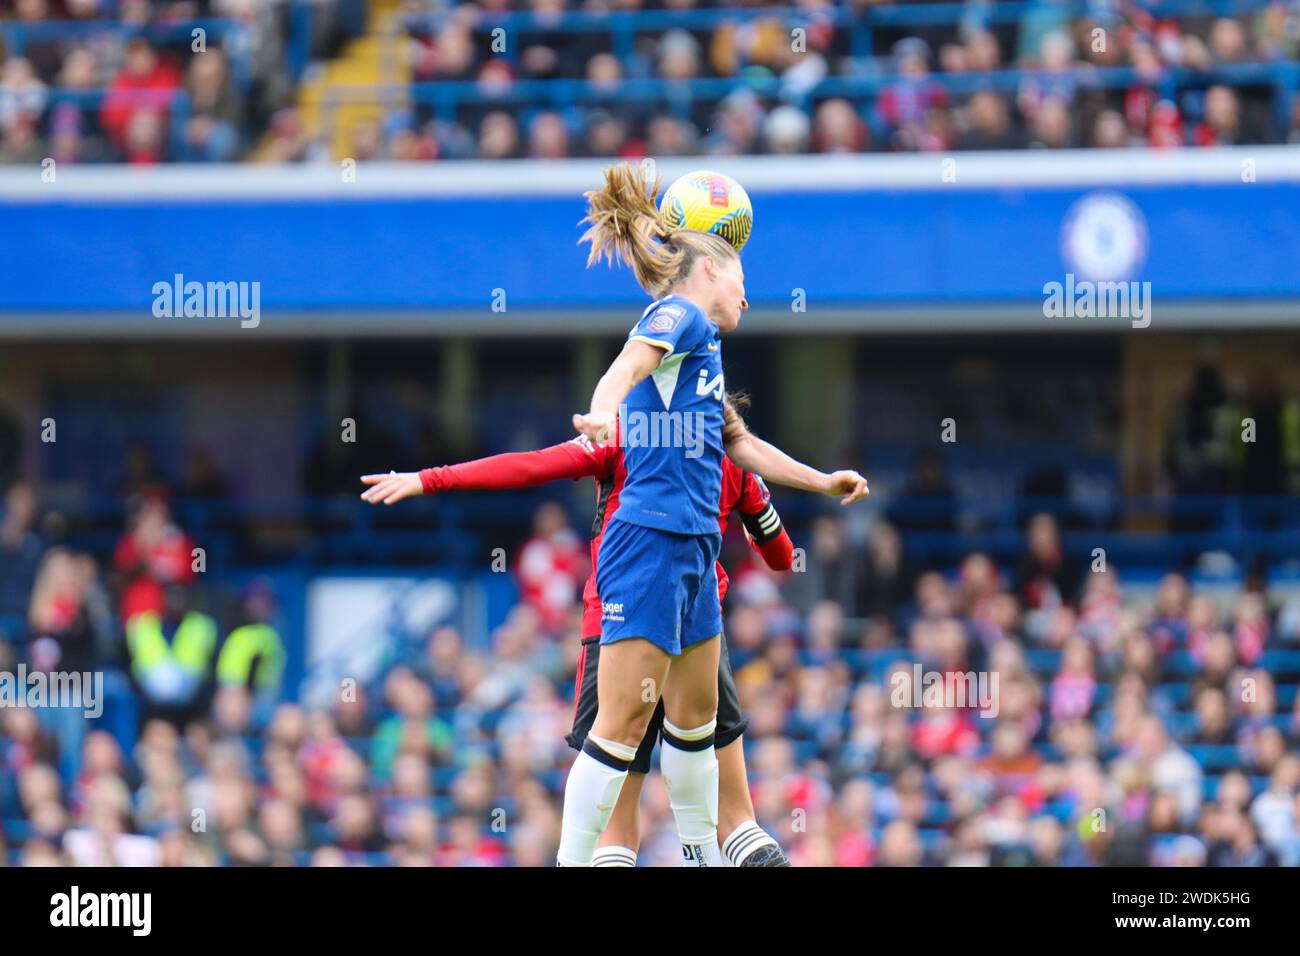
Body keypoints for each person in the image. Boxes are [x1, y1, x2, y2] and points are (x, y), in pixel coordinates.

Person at [362, 399, 795, 865]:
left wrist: (430, 478)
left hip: (617, 626)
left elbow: (529, 466)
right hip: (698, 633)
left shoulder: (625, 434)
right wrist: (757, 515)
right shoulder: (733, 459)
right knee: (731, 815)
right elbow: (782, 558)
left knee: (615, 814)